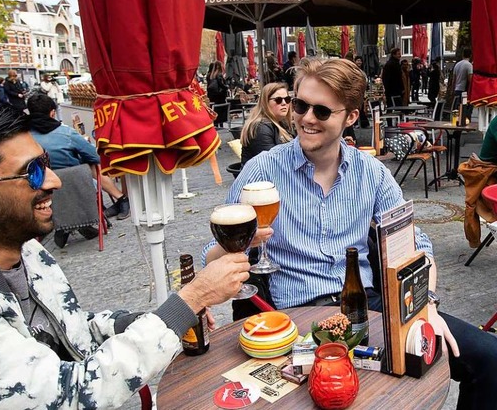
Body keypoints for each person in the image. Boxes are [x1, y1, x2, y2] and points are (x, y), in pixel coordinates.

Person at [0, 105, 251, 409]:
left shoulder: (23, 249)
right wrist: (190, 300)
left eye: (45, 164)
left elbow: (72, 333)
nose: (55, 181)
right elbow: (71, 395)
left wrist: (148, 319)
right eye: (31, 172)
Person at [204, 57, 497, 409]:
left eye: (322, 111)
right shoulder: (262, 170)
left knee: (490, 358)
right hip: (294, 316)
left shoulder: (371, 173)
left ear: (351, 118)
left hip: (368, 310)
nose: (307, 118)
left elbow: (417, 247)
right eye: (299, 105)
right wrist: (239, 244)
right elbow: (211, 251)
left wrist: (425, 306)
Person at [27, 94, 130, 241]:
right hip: (76, 185)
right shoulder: (65, 133)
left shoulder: (25, 138)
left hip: (43, 190)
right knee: (92, 165)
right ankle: (121, 199)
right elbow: (94, 157)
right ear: (52, 113)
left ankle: (64, 225)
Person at [240, 83, 293, 167]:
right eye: (278, 100)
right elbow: (273, 164)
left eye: (287, 99)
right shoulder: (260, 128)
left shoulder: (282, 122)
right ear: (265, 102)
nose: (284, 103)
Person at [452, 48, 473, 120]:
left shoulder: (457, 65)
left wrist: (453, 89)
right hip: (464, 91)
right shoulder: (469, 65)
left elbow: (454, 79)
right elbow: (470, 79)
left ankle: (457, 123)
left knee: (457, 109)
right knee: (465, 109)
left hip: (457, 89)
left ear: (462, 55)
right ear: (470, 55)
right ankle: (465, 122)